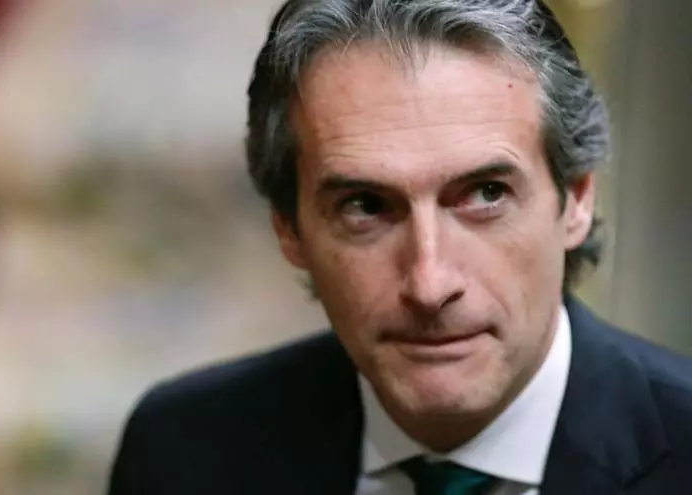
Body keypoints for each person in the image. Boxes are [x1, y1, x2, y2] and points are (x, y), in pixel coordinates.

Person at [108, 1, 692, 494]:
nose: (430, 285)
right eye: (366, 206)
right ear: (288, 228)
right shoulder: (184, 451)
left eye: (486, 194)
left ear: (577, 198)